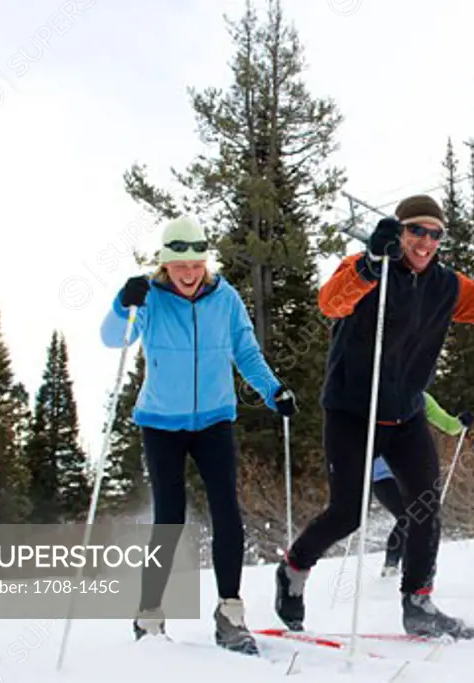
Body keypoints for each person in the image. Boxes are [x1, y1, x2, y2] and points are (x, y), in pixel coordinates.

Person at [275, 194, 474, 639]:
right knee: (347, 514)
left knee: (425, 508)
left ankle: (418, 603)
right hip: (351, 410)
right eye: (416, 230)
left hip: (405, 414)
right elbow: (331, 303)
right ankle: (293, 570)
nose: (424, 241)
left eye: (434, 233)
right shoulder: (367, 268)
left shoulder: (447, 286)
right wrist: (367, 265)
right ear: (400, 232)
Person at [99, 215, 298, 656]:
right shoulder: (147, 298)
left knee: (228, 512)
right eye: (178, 264)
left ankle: (230, 614)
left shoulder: (224, 298)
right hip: (160, 423)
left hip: (213, 420)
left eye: (195, 263)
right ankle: (149, 614)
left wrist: (273, 390)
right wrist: (120, 303)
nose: (188, 273)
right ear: (165, 264)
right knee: (169, 518)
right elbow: (113, 339)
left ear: (204, 261)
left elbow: (245, 350)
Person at [372, 392, 473, 577]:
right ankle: (391, 564)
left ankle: (413, 567)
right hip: (382, 475)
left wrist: (461, 422)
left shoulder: (420, 397)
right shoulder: (376, 396)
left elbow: (449, 426)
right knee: (408, 515)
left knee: (421, 515)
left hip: (412, 472)